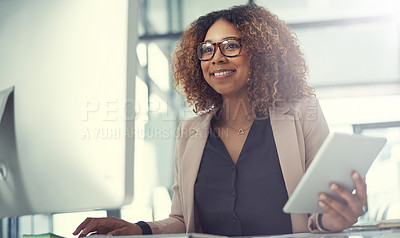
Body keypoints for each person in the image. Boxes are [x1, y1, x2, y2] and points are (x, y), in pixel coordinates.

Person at [73, 4, 367, 237]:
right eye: (207, 49)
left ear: (261, 54)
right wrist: (139, 229)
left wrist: (334, 219)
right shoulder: (188, 133)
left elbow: (318, 212)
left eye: (230, 45)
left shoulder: (302, 114)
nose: (216, 58)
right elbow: (182, 219)